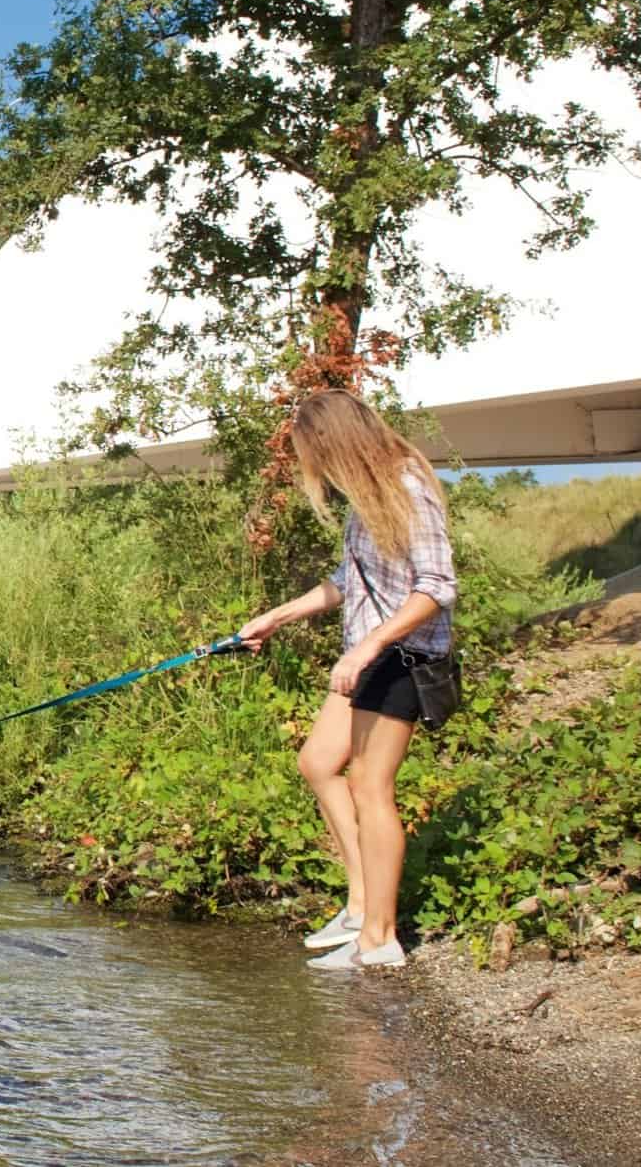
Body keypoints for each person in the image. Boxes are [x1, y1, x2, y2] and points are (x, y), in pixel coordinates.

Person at [238, 390, 456, 970]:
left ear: (334, 441)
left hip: (402, 657)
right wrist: (277, 617)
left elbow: (436, 587)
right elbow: (348, 580)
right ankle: (362, 905)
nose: (313, 468)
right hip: (371, 655)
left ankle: (379, 940)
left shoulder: (407, 487)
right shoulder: (367, 495)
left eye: (312, 452)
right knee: (317, 762)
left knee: (369, 784)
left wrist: (369, 645)